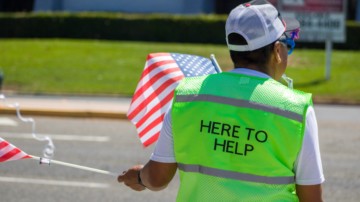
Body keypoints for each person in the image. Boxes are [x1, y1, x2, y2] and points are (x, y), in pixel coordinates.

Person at [118, 0, 325, 201]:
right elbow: (311, 197)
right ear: (277, 51)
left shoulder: (187, 95)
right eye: (288, 45)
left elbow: (157, 178)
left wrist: (139, 177)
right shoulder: (296, 109)